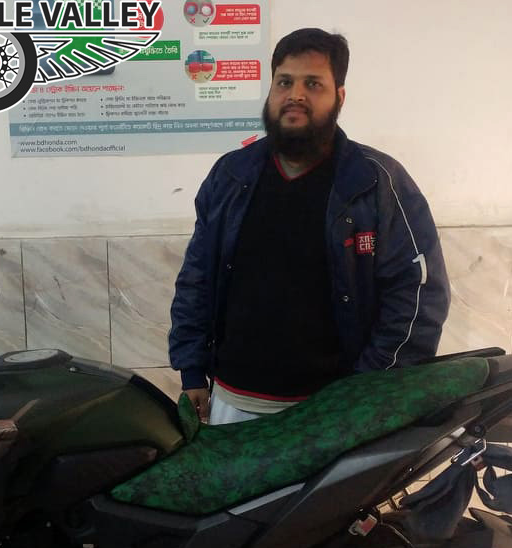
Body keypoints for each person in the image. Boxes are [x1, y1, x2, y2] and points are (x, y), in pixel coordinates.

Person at [169, 28, 450, 425]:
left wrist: (367, 388)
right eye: (284, 82)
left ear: (340, 97)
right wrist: (192, 370)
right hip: (234, 401)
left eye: (313, 84)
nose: (295, 95)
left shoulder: (376, 183)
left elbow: (418, 292)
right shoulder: (230, 176)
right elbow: (196, 278)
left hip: (335, 410)